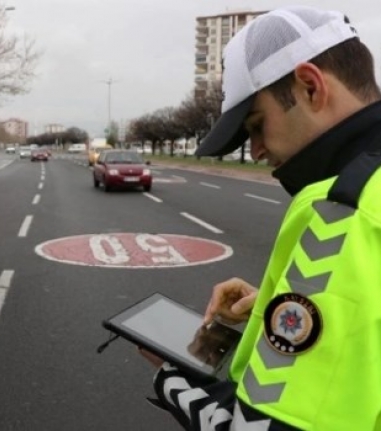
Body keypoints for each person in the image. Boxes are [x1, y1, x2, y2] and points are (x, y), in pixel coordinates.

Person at [139, 6, 381, 430]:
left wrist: (171, 375)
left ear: (310, 87)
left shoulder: (345, 210)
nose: (256, 152)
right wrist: (282, 309)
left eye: (256, 125)